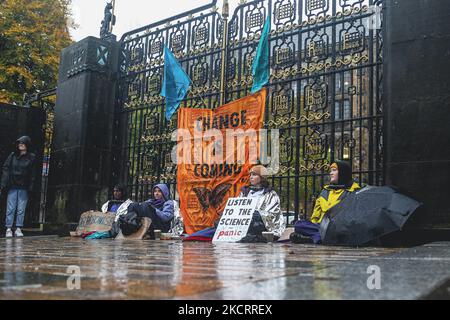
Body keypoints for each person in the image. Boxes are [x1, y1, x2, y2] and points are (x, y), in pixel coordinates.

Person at [291, 160, 361, 244]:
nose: (331, 173)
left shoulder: (353, 191)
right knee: (299, 224)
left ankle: (314, 238)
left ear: (343, 173)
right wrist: (312, 225)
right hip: (321, 227)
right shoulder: (325, 191)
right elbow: (315, 217)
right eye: (331, 170)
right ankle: (317, 238)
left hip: (339, 228)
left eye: (334, 170)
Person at [238, 165, 286, 242]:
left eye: (254, 175)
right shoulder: (245, 193)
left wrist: (255, 213)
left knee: (255, 222)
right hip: (242, 220)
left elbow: (273, 215)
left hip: (260, 222)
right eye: (250, 175)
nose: (251, 177)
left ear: (262, 177)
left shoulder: (271, 194)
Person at [1, 136, 36, 238]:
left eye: (23, 143)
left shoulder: (31, 157)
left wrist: (31, 186)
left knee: (21, 208)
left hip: (23, 186)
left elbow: (33, 173)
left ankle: (18, 228)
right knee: (10, 208)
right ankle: (8, 228)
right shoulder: (12, 155)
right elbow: (6, 168)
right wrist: (3, 182)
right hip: (12, 185)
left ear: (27, 144)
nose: (20, 144)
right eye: (19, 143)